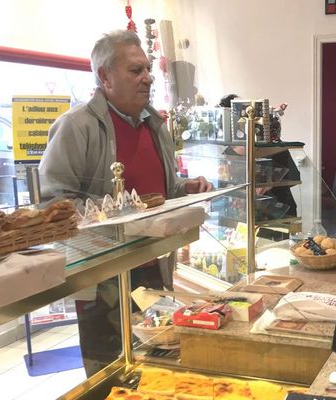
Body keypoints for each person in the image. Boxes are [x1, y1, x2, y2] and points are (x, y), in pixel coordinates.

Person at [39, 29, 213, 376]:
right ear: (104, 77)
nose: (147, 77)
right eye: (135, 71)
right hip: (104, 278)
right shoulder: (76, 127)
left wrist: (183, 188)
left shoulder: (155, 124)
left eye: (147, 69)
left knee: (157, 365)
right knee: (111, 375)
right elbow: (53, 202)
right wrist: (116, 217)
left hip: (154, 267)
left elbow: (155, 192)